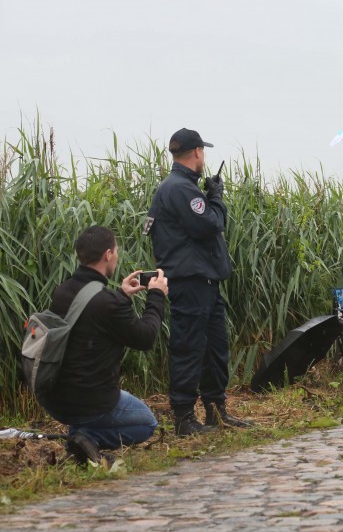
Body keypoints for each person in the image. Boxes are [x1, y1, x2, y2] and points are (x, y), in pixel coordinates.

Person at [147, 128, 249, 436]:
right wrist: (215, 198)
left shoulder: (182, 188)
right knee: (189, 348)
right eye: (203, 152)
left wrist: (206, 196)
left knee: (214, 349)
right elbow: (210, 224)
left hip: (203, 282)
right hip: (190, 283)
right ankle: (184, 417)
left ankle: (216, 411)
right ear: (197, 153)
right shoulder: (179, 188)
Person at [36, 226, 166, 465]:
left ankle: (81, 436)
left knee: (87, 397)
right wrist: (156, 295)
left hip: (55, 399)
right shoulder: (109, 303)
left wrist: (122, 294)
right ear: (108, 254)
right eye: (116, 251)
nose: (117, 255)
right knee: (147, 423)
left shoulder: (62, 291)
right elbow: (145, 338)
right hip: (94, 402)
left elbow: (91, 314)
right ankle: (86, 437)